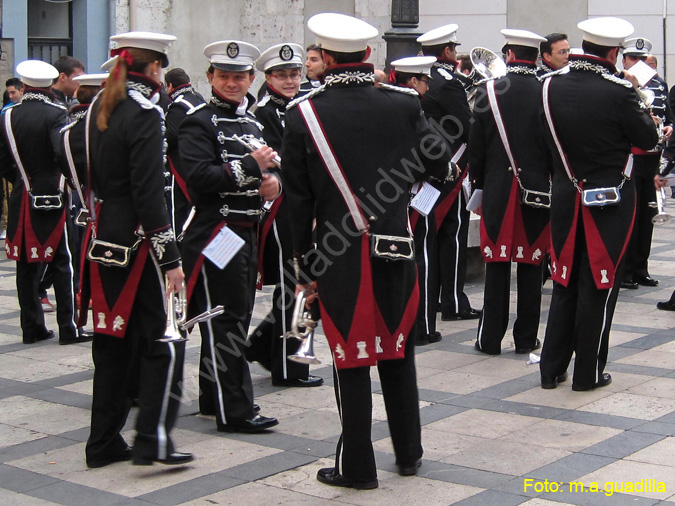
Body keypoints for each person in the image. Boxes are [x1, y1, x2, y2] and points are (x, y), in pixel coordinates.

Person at [282, 13, 451, 489]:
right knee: (398, 350)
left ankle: (357, 466)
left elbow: (298, 200)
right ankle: (409, 453)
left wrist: (302, 263)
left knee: (350, 359)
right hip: (396, 244)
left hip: (336, 253)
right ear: (369, 57)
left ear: (326, 58)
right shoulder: (402, 103)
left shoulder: (304, 113)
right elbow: (442, 166)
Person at [83, 31, 192, 468]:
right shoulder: (146, 112)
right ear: (154, 68)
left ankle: (103, 441)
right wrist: (171, 258)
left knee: (111, 344)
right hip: (141, 242)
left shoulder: (96, 106)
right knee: (163, 340)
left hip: (105, 233)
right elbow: (150, 192)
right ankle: (153, 438)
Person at [539, 17, 658, 391]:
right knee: (600, 286)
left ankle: (551, 368)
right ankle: (587, 372)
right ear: (613, 52)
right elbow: (648, 140)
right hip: (609, 200)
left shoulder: (549, 86)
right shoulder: (620, 90)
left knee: (564, 281)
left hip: (564, 196)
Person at [178, 39, 279, 433]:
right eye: (225, 76)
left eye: (239, 77)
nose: (233, 83)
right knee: (229, 320)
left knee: (225, 317)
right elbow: (198, 179)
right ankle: (235, 410)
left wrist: (271, 183)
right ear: (210, 78)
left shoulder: (252, 123)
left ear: (251, 78)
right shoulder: (198, 121)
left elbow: (272, 169)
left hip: (246, 231)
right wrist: (252, 169)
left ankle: (212, 397)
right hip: (216, 232)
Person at [245, 43, 323, 387]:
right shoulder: (262, 113)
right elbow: (279, 162)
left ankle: (264, 346)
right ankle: (289, 367)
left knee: (295, 284)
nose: (290, 80)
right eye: (282, 75)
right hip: (281, 210)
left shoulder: (303, 106)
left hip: (302, 205)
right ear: (268, 78)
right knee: (296, 283)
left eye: (294, 74)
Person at [469, 29, 551, 356]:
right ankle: (526, 339)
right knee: (532, 265)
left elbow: (477, 148)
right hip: (537, 190)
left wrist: (479, 184)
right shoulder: (547, 90)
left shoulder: (487, 91)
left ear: (511, 55)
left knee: (498, 266)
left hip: (499, 190)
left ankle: (490, 339)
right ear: (536, 56)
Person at [0, 60, 90, 345]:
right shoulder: (57, 113)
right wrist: (69, 182)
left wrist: (22, 180)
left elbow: (3, 161)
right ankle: (68, 327)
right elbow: (61, 152)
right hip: (52, 195)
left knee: (26, 264)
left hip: (21, 193)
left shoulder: (8, 115)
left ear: (23, 85)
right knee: (63, 260)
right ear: (51, 85)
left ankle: (32, 327)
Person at [417, 23, 480, 322]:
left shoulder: (425, 76)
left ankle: (436, 300)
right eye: (454, 49)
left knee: (432, 235)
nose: (455, 53)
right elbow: (465, 126)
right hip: (450, 164)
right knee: (452, 234)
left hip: (428, 165)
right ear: (446, 51)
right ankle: (453, 301)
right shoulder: (449, 82)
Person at [389, 55, 443, 346]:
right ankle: (421, 325)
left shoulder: (383, 105)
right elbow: (431, 155)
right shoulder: (412, 109)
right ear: (413, 81)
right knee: (420, 257)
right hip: (413, 194)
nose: (426, 89)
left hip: (388, 197)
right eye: (424, 82)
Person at [620, 37, 673, 289]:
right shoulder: (619, 83)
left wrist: (669, 126)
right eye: (633, 59)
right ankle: (626, 271)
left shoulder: (659, 85)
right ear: (624, 61)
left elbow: (668, 115)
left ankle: (641, 267)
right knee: (630, 215)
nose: (639, 64)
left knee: (648, 215)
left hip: (653, 157)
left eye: (642, 60)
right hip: (630, 158)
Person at [164, 67, 204, 239]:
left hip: (182, 166)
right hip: (200, 161)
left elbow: (170, 137)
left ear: (170, 85)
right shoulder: (198, 98)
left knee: (179, 210)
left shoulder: (178, 106)